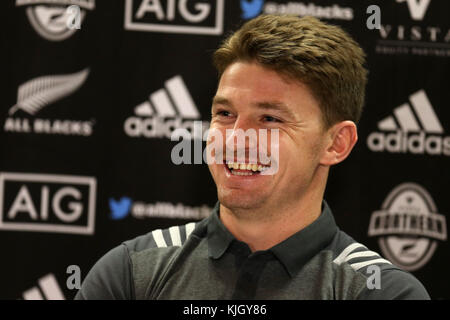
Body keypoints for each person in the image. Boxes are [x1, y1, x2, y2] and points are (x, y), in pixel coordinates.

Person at [75, 15, 430, 300]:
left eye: (270, 119)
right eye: (225, 114)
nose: (235, 140)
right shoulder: (131, 273)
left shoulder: (381, 291)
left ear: (336, 143)